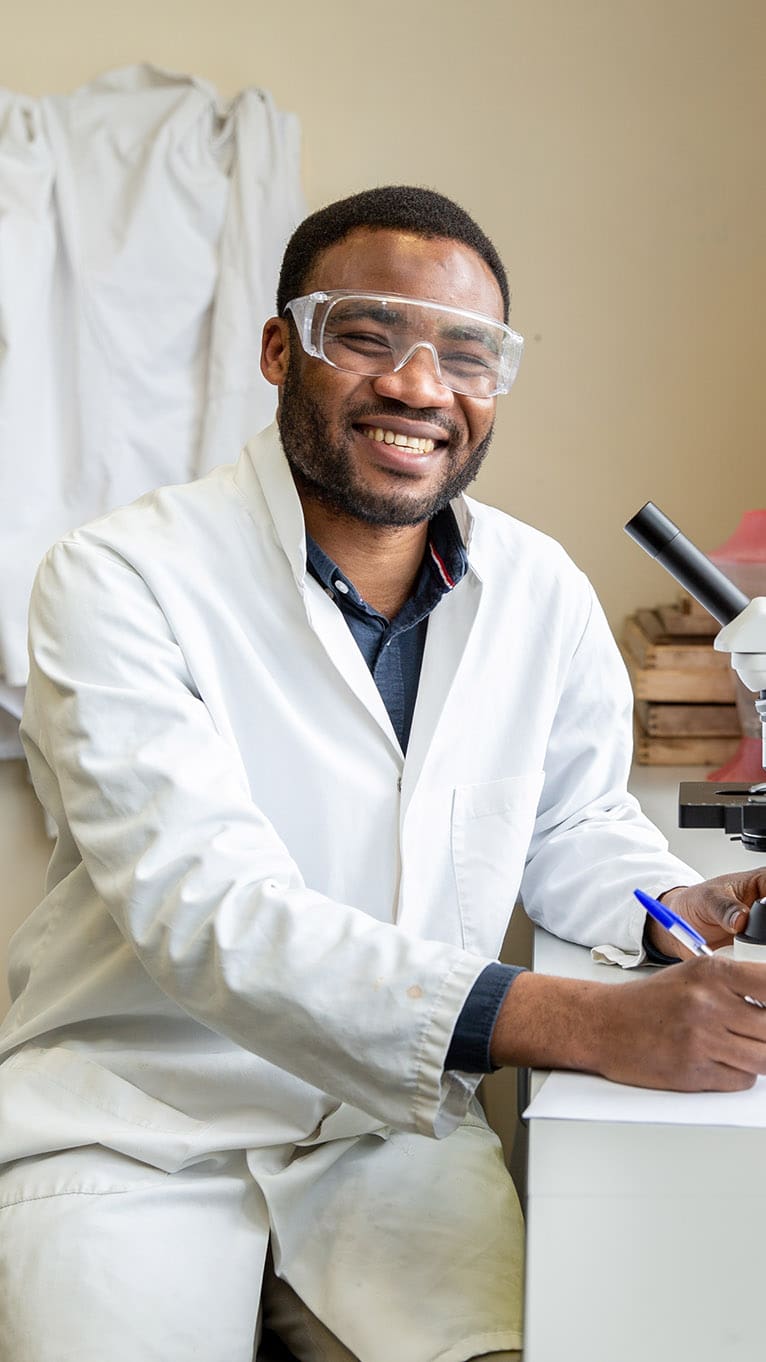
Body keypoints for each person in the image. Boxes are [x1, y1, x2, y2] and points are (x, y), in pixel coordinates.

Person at [0, 185, 765, 1362]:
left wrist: (665, 904)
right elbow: (209, 914)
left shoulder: (538, 588)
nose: (418, 386)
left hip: (387, 1131)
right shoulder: (118, 579)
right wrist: (592, 1025)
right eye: (366, 335)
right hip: (135, 1126)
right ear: (278, 349)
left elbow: (570, 819)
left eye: (466, 353)